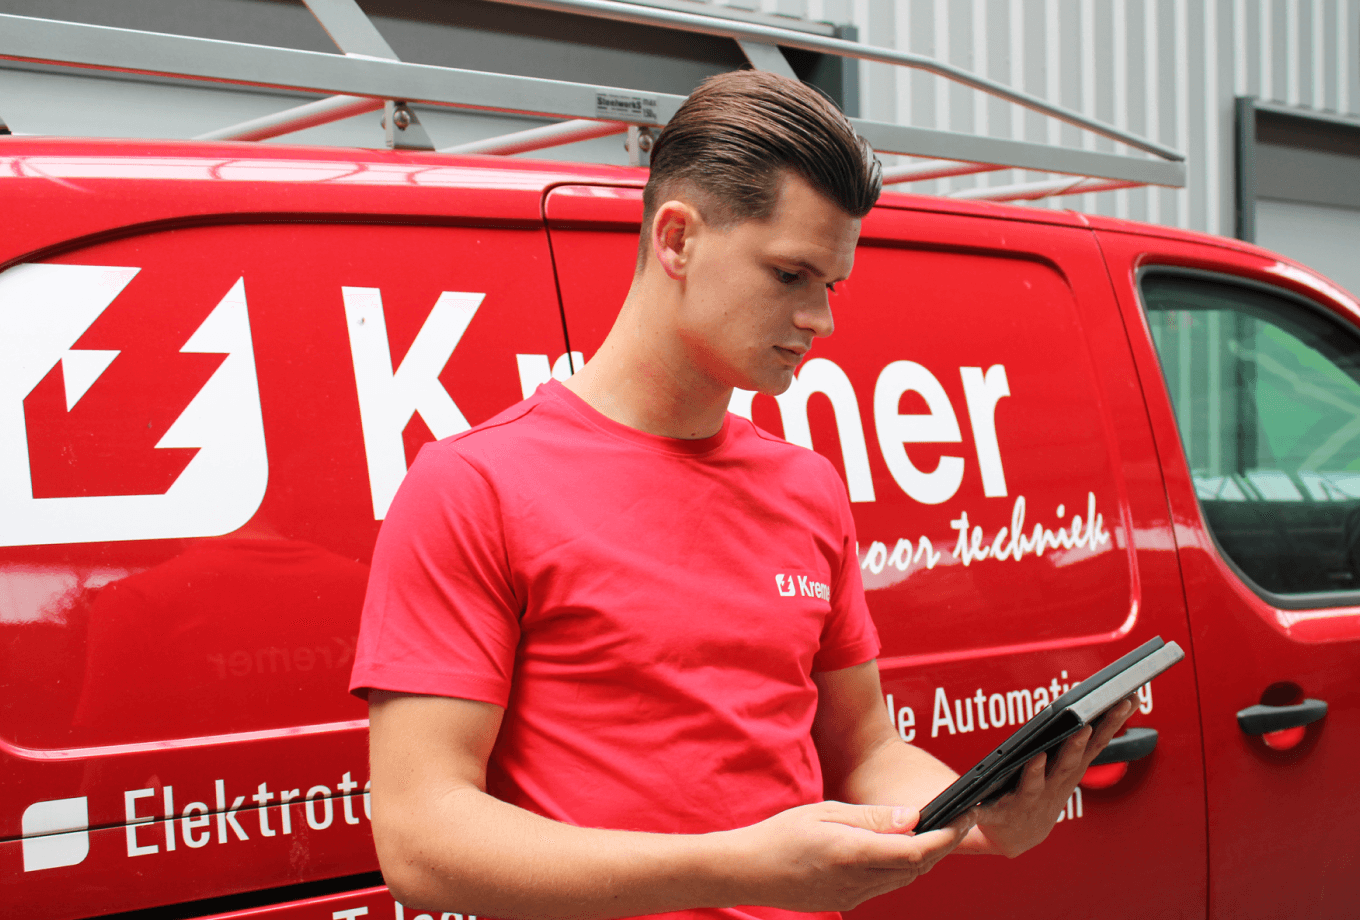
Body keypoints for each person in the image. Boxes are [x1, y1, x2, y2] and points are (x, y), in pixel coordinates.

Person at [349, 70, 1134, 920]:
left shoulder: (806, 487)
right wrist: (731, 870)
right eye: (791, 275)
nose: (820, 322)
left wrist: (976, 816)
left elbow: (863, 747)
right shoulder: (472, 486)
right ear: (676, 239)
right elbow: (421, 839)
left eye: (830, 285)